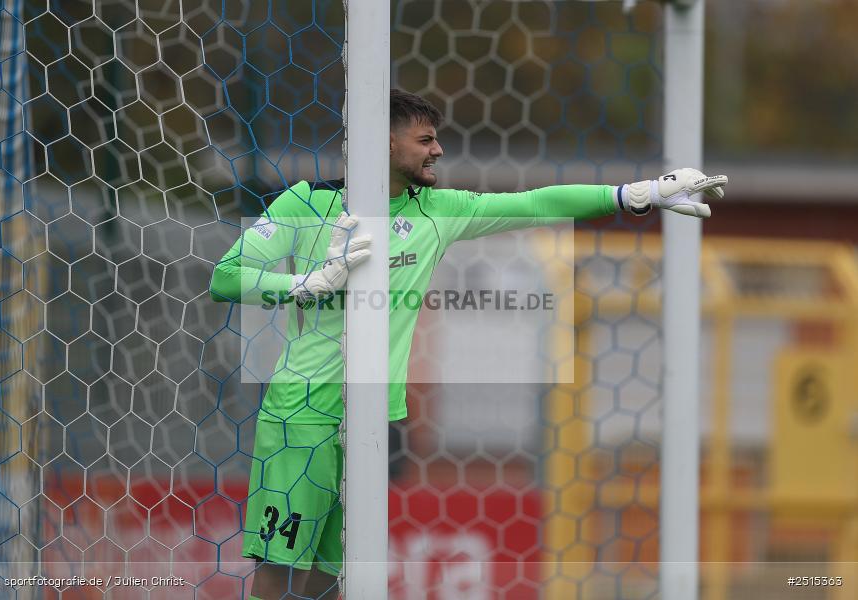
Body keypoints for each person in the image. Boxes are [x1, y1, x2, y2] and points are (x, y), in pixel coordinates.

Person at [208, 89, 727, 600]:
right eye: (425, 139)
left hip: (374, 416)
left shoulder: (437, 211)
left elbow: (536, 203)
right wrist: (306, 285)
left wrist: (638, 195)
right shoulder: (305, 202)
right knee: (279, 572)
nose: (438, 150)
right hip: (301, 412)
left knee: (337, 578)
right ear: (382, 144)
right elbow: (226, 278)